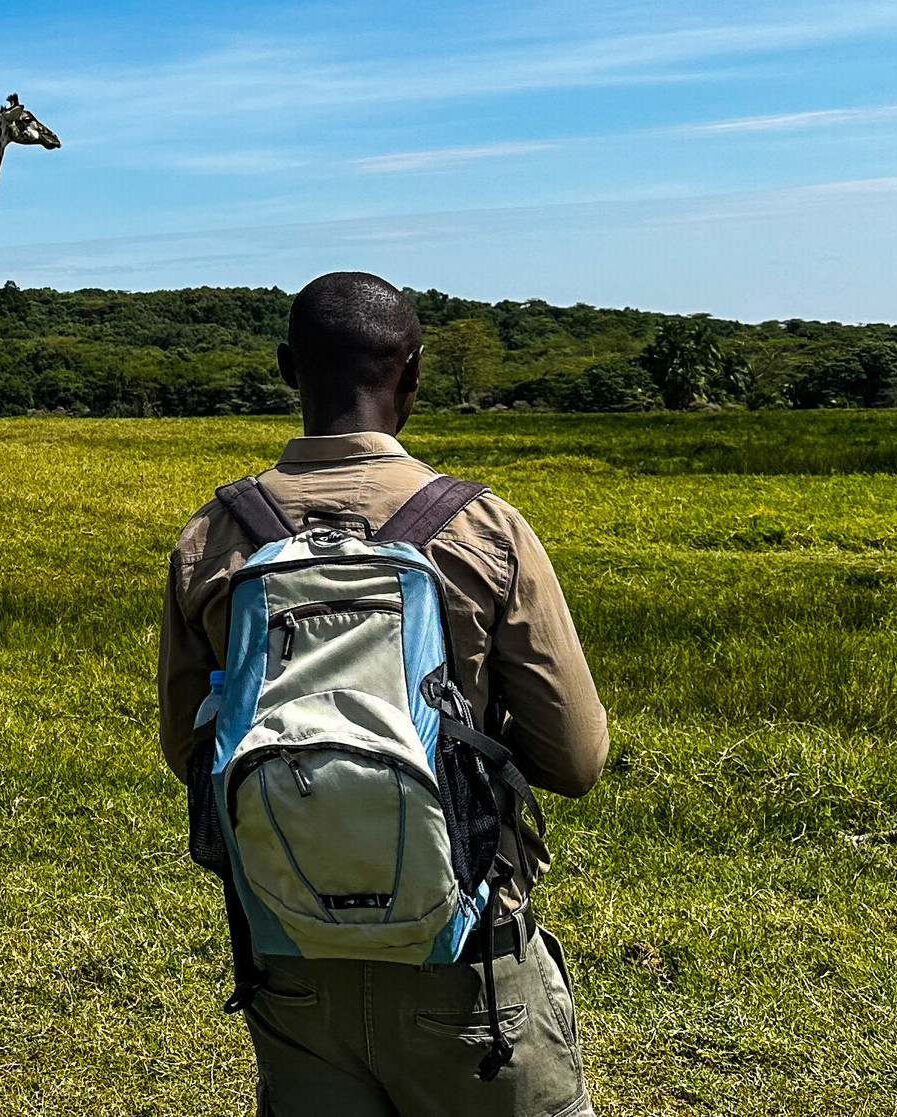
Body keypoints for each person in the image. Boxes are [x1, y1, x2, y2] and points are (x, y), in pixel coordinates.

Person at [159, 271, 611, 1116]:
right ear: (412, 372)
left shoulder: (213, 533)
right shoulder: (483, 528)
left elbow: (188, 749)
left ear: (288, 369)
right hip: (469, 963)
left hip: (288, 954)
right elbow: (577, 758)